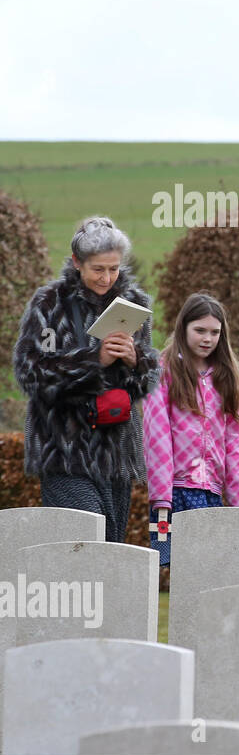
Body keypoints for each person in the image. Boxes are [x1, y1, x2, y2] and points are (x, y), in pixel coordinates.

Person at [12, 216, 160, 544]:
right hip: (62, 447)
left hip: (116, 447)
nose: (107, 278)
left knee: (109, 546)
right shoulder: (48, 305)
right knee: (79, 545)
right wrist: (94, 360)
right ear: (77, 263)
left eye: (114, 268)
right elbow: (30, 374)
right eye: (98, 269)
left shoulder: (135, 304)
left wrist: (136, 360)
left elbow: (147, 382)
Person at [143, 293, 239, 568]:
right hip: (176, 490)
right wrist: (162, 498)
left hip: (211, 492)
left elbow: (237, 444)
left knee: (210, 569)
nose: (207, 338)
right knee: (181, 569)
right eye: (200, 330)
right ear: (184, 328)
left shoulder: (225, 378)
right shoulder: (163, 372)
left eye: (214, 332)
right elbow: (156, 436)